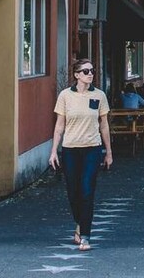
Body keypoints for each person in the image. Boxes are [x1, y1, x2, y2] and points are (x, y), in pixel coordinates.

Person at [49, 59, 112, 252]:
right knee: (73, 191)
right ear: (76, 75)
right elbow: (60, 125)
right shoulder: (65, 96)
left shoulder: (99, 95)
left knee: (86, 190)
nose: (90, 74)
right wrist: (53, 151)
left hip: (92, 148)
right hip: (70, 149)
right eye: (85, 71)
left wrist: (108, 152)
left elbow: (104, 125)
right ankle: (79, 222)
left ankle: (85, 235)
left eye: (92, 70)